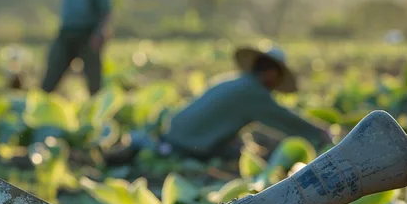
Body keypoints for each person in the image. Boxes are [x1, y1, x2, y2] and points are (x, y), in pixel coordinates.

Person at [105, 44, 333, 164]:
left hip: (175, 128)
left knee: (246, 144)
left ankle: (151, 146)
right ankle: (155, 149)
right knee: (243, 154)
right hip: (190, 142)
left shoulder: (237, 82)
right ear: (271, 73)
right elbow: (284, 119)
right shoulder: (253, 93)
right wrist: (319, 132)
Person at [41, 0, 112, 96]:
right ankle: (41, 102)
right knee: (52, 72)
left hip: (88, 34)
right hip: (66, 32)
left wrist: (100, 32)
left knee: (93, 78)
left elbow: (105, 12)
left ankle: (96, 109)